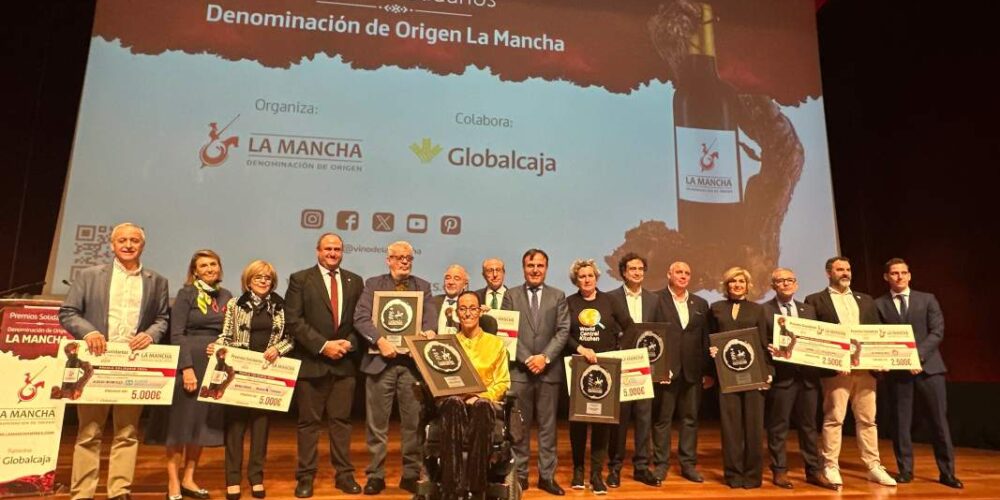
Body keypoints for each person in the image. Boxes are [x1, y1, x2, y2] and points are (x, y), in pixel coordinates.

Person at [58, 222, 169, 500]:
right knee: (89, 431)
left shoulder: (158, 281)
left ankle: (119, 491)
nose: (128, 245)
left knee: (128, 432)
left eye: (134, 240)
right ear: (112, 245)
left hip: (134, 364)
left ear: (142, 245)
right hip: (96, 363)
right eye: (122, 240)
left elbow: (162, 319)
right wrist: (90, 332)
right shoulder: (89, 276)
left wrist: (150, 334)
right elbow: (68, 312)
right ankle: (82, 492)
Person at [804, 256, 896, 488]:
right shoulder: (815, 300)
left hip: (865, 371)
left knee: (868, 420)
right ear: (828, 273)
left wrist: (880, 359)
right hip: (837, 372)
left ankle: (873, 466)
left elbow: (876, 332)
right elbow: (816, 337)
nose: (845, 273)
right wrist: (831, 362)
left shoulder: (865, 300)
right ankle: (831, 465)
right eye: (839, 269)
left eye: (847, 269)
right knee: (834, 418)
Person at [353, 241, 437, 495]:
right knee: (377, 424)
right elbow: (361, 317)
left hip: (411, 366)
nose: (404, 262)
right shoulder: (373, 285)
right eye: (398, 258)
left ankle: (411, 474)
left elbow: (430, 319)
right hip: (381, 363)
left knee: (413, 423)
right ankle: (375, 475)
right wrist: (380, 340)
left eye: (408, 258)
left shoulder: (422, 286)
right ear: (388, 260)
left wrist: (429, 332)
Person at [285, 233, 365, 496]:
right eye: (328, 248)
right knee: (309, 424)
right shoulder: (300, 279)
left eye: (337, 249)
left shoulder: (355, 281)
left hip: (344, 364)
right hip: (312, 363)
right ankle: (305, 477)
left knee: (341, 422)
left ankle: (344, 475)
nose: (332, 253)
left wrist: (348, 344)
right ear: (318, 251)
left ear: (342, 252)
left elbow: (360, 320)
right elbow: (294, 321)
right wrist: (323, 346)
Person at [874, 258, 962, 489]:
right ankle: (905, 470)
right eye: (894, 273)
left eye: (903, 273)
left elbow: (937, 331)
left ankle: (947, 473)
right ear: (886, 277)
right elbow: (877, 337)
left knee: (939, 423)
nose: (899, 277)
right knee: (901, 424)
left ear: (910, 275)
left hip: (929, 369)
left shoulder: (927, 299)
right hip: (898, 373)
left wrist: (917, 357)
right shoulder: (879, 304)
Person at [212, 260, 294, 500]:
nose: (263, 281)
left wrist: (279, 349)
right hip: (238, 374)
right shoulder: (234, 304)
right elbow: (226, 336)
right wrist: (217, 347)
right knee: (235, 429)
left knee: (260, 429)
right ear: (248, 281)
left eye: (267, 278)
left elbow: (291, 338)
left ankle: (256, 478)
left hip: (267, 375)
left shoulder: (281, 306)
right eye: (258, 277)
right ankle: (233, 480)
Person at [165, 250, 233, 500]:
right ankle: (172, 483)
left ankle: (189, 479)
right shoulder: (186, 294)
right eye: (203, 265)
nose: (209, 269)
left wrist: (223, 345)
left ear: (220, 267)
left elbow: (231, 332)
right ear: (195, 271)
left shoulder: (227, 296)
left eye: (213, 264)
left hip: (214, 366)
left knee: (200, 427)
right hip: (189, 364)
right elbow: (176, 334)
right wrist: (187, 368)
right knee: (180, 426)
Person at [501, 248, 570, 495]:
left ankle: (546, 476)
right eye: (531, 265)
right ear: (524, 268)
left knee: (548, 428)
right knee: (518, 428)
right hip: (520, 372)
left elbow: (563, 331)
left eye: (540, 265)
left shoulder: (558, 295)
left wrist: (545, 357)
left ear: (546, 268)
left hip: (548, 372)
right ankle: (519, 477)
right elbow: (506, 331)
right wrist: (528, 358)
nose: (535, 270)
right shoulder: (510, 295)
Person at [431, 291, 511, 498]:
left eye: (472, 308)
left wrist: (481, 396)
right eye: (463, 309)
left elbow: (503, 382)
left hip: (484, 403)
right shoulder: (446, 344)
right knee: (453, 404)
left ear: (480, 311)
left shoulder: (495, 343)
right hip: (453, 401)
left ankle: (477, 488)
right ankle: (451, 488)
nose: (468, 313)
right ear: (457, 313)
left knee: (482, 406)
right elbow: (441, 381)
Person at [761, 268, 836, 490]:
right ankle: (779, 470)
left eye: (790, 280)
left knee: (809, 427)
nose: (785, 284)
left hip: (808, 379)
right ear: (773, 285)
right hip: (782, 378)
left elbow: (817, 341)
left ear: (796, 284)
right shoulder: (764, 310)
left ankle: (814, 471)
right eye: (780, 281)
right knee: (778, 427)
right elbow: (761, 340)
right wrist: (769, 348)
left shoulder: (808, 310)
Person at [565, 259, 632, 495]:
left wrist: (616, 353)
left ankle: (596, 474)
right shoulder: (569, 302)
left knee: (602, 424)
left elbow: (629, 327)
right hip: (579, 369)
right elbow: (563, 333)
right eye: (582, 276)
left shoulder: (610, 301)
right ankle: (578, 470)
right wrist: (580, 348)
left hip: (605, 372)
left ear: (596, 277)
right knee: (578, 424)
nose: (586, 279)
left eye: (590, 275)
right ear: (576, 280)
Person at [708, 267, 772, 489]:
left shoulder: (758, 310)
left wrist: (769, 372)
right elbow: (710, 339)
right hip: (727, 377)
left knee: (754, 427)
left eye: (741, 282)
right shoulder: (715, 309)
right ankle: (733, 475)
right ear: (726, 286)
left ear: (748, 285)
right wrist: (711, 351)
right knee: (731, 427)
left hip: (754, 376)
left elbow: (764, 343)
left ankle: (753, 476)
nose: (736, 285)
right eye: (732, 282)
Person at [605, 253, 662, 488]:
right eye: (632, 268)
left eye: (641, 268)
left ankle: (641, 466)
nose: (637, 272)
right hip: (621, 364)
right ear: (623, 272)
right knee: (619, 419)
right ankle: (615, 467)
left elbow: (660, 334)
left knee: (644, 418)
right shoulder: (610, 298)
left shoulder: (655, 300)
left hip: (646, 367)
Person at [652, 261, 711, 483]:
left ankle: (688, 465)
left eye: (687, 272)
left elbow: (705, 339)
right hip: (666, 371)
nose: (683, 276)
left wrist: (707, 371)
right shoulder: (656, 300)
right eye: (679, 272)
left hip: (693, 373)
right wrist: (657, 369)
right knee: (662, 420)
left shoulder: (701, 303)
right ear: (669, 274)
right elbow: (652, 337)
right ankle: (661, 465)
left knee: (690, 420)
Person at [432, 264, 497, 335]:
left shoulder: (476, 305)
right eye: (447, 278)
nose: (450, 282)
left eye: (456, 279)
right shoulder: (432, 302)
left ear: (465, 285)